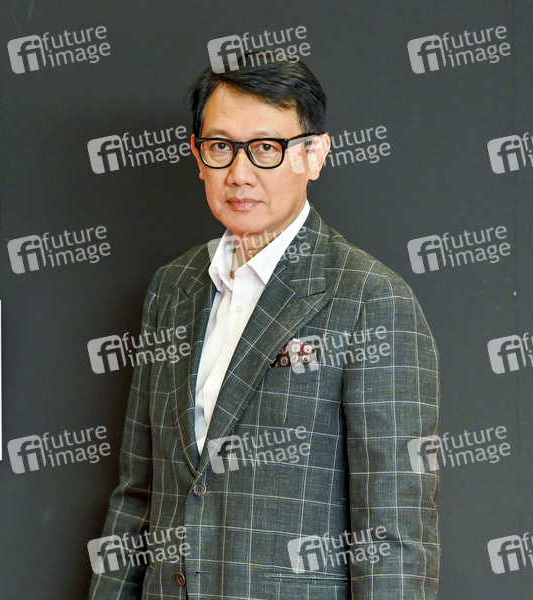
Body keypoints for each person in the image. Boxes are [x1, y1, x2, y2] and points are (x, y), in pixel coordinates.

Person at [88, 55, 439, 599]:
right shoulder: (172, 288)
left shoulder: (371, 299)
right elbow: (139, 493)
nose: (240, 173)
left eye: (267, 148)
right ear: (198, 156)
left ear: (313, 155)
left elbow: (392, 533)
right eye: (221, 147)